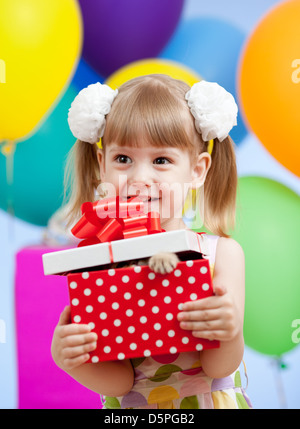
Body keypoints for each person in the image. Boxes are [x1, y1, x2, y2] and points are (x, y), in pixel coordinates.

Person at [51, 74, 252, 409]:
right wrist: (74, 359)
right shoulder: (99, 262)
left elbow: (220, 366)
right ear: (102, 165)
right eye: (123, 159)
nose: (139, 178)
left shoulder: (221, 254)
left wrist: (228, 330)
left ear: (197, 170)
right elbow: (121, 382)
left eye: (161, 160)